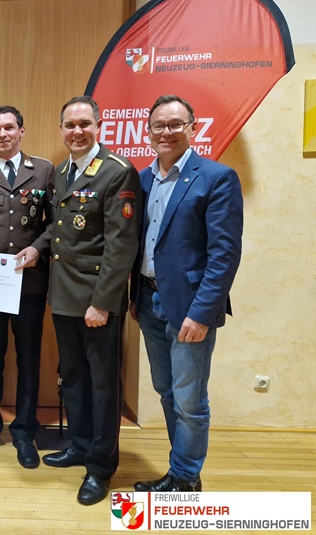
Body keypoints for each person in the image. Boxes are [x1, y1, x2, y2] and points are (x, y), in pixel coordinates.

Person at [130, 94, 243, 493]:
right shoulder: (142, 179)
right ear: (148, 132)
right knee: (166, 391)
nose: (167, 132)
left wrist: (202, 313)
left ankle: (186, 478)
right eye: (159, 125)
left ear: (193, 128)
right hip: (147, 300)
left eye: (176, 124)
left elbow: (224, 255)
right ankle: (178, 471)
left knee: (190, 400)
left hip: (189, 308)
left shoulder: (216, 177)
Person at [41, 96, 140, 506]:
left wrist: (102, 303)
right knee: (75, 379)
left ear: (98, 125)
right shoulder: (63, 173)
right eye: (69, 125)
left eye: (84, 124)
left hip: (97, 303)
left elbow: (121, 247)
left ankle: (101, 467)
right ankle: (80, 446)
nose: (77, 131)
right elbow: (61, 232)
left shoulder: (117, 173)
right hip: (65, 297)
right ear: (62, 129)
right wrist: (35, 249)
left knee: (103, 386)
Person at [0, 106, 54, 469]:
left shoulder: (44, 171)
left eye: (9, 128)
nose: (2, 134)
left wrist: (39, 247)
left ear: (21, 131)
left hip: (29, 283)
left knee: (29, 360)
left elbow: (56, 221)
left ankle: (24, 432)